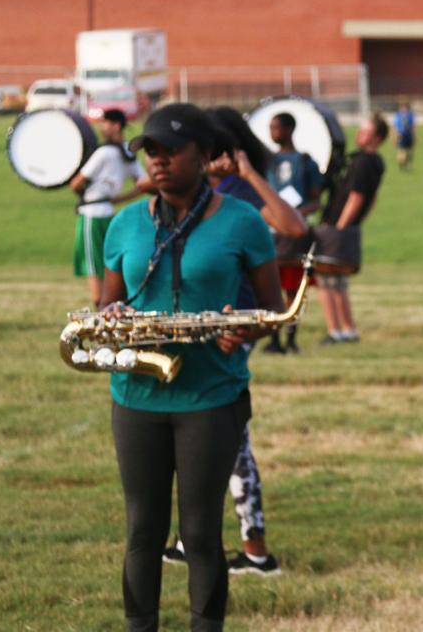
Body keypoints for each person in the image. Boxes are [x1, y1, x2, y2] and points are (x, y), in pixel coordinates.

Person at [100, 103, 284, 631]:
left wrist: (246, 329)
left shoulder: (243, 221)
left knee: (201, 534)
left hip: (211, 396)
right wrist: (111, 316)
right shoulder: (125, 224)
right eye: (150, 151)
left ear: (205, 155)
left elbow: (272, 309)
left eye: (171, 150)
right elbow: (107, 303)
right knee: (142, 530)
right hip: (137, 394)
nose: (158, 161)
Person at [161, 107, 306, 578]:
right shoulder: (197, 192)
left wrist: (244, 172)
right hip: (194, 325)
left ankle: (255, 548)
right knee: (194, 436)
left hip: (231, 327)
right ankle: (195, 538)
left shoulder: (238, 190)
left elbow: (293, 228)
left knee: (228, 440)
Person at [317, 112, 387, 344]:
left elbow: (357, 196)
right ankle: (348, 329)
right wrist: (357, 222)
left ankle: (335, 331)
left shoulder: (362, 162)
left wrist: (340, 226)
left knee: (325, 278)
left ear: (377, 138)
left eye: (366, 131)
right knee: (338, 281)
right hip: (350, 227)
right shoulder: (376, 162)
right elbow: (372, 199)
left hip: (338, 227)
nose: (359, 134)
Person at [70, 109, 149, 306]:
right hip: (109, 214)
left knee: (93, 266)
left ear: (116, 125)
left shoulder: (103, 153)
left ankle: (101, 306)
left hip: (92, 215)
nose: (101, 127)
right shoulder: (128, 152)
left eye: (104, 123)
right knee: (110, 264)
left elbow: (76, 183)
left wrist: (82, 191)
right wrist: (119, 198)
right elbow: (143, 184)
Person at [264, 112, 321, 354]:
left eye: (276, 128)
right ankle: (273, 338)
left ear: (289, 129)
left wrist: (295, 213)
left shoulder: (306, 162)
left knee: (293, 288)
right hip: (270, 233)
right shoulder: (266, 162)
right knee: (268, 288)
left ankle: (291, 337)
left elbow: (316, 201)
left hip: (294, 236)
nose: (273, 133)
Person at [393, 100, 416, 170]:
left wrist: (414, 135)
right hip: (403, 134)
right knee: (403, 150)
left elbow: (413, 126)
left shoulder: (404, 115)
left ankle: (405, 164)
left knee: (408, 150)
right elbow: (395, 126)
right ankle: (404, 164)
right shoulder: (401, 115)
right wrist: (395, 136)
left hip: (406, 134)